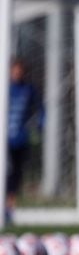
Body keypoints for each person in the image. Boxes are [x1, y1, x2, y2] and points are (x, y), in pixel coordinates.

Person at [5, 59, 43, 222]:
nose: (17, 73)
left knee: (16, 172)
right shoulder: (5, 88)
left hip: (20, 138)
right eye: (15, 70)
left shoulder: (29, 89)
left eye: (20, 70)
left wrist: (39, 127)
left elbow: (41, 109)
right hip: (4, 138)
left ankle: (10, 204)